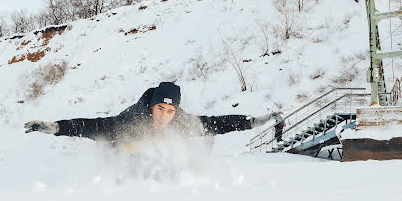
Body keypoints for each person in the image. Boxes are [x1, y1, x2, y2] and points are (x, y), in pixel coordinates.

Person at [24, 82, 282, 149]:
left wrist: (251, 122)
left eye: (170, 111)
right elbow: (92, 126)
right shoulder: (131, 120)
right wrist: (57, 128)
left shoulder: (180, 121)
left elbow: (216, 123)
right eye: (160, 109)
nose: (164, 116)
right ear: (151, 107)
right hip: (122, 158)